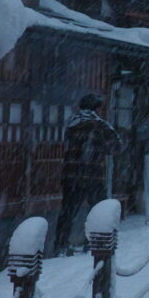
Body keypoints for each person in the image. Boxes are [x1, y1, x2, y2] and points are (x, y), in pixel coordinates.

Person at [53, 94, 121, 254]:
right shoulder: (101, 126)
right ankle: (94, 242)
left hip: (71, 176)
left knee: (68, 212)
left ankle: (61, 245)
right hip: (93, 176)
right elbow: (116, 147)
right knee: (98, 211)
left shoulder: (70, 124)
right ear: (96, 108)